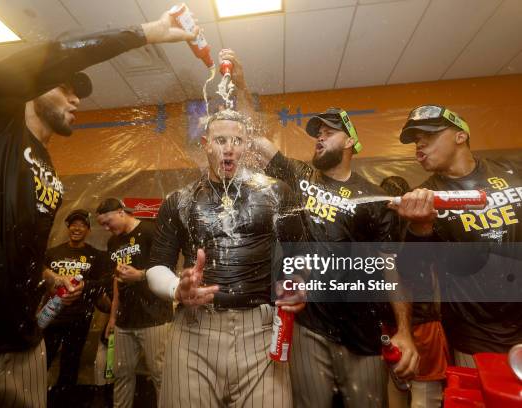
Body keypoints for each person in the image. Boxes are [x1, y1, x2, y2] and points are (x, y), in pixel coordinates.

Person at [0, 11, 198, 405]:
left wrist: (48, 276)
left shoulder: (47, 167)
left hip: (24, 343)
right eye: (64, 87)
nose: (77, 98)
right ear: (35, 87)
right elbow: (48, 57)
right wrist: (146, 33)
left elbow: (16, 246)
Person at [220, 49, 418, 408]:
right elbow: (257, 140)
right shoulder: (299, 176)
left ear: (351, 143)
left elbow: (392, 269)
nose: (319, 137)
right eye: (317, 133)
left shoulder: (374, 198)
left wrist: (404, 330)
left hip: (363, 334)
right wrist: (243, 85)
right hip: (309, 327)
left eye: (330, 132)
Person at [146, 109, 306, 407]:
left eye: (237, 140)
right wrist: (176, 289)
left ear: (247, 146)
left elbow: (298, 253)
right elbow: (156, 266)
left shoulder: (276, 193)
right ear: (206, 143)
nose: (229, 148)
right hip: (194, 331)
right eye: (220, 140)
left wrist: (296, 284)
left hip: (260, 333)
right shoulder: (179, 201)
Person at [390, 104, 522, 368]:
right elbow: (410, 273)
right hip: (475, 338)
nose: (419, 146)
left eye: (428, 136)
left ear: (460, 136)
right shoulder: (422, 199)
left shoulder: (513, 174)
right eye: (416, 140)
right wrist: (421, 227)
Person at [95, 198, 172, 408]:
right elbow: (116, 280)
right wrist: (112, 317)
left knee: (161, 376)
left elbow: (168, 270)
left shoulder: (150, 231)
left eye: (107, 221)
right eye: (102, 224)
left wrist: (140, 275)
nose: (106, 228)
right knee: (121, 375)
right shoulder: (113, 242)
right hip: (124, 321)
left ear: (121, 212)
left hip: (154, 317)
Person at [380, 176, 450, 408]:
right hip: (423, 319)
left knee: (397, 392)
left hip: (397, 322)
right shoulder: (424, 223)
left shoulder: (386, 227)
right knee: (425, 398)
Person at [42, 209, 109, 386]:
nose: (77, 229)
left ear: (88, 230)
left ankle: (65, 399)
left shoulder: (96, 256)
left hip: (79, 318)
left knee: (70, 366)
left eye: (82, 225)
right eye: (73, 224)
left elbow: (101, 285)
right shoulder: (52, 253)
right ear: (68, 227)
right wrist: (51, 287)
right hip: (51, 316)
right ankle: (37, 399)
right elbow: (41, 280)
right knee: (42, 363)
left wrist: (83, 288)